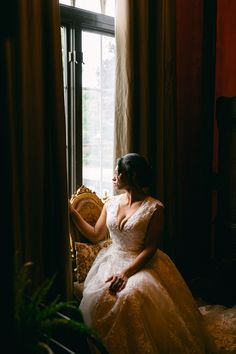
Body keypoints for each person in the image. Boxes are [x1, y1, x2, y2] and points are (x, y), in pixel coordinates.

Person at [69, 153, 236, 354]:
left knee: (131, 296)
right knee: (101, 297)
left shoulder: (154, 208)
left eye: (118, 173)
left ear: (132, 176)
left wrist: (125, 274)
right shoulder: (111, 203)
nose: (114, 177)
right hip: (111, 260)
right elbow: (96, 235)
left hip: (142, 263)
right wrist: (72, 213)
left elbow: (150, 249)